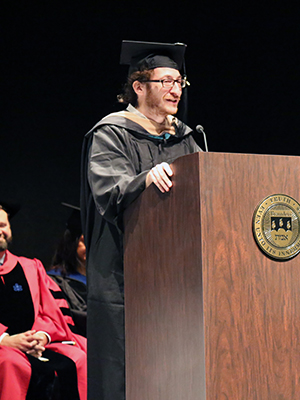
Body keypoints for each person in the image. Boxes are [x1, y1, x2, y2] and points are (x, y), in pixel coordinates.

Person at [81, 40, 203, 400]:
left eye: (180, 81)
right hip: (123, 273)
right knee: (123, 368)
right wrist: (145, 179)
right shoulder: (111, 133)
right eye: (166, 81)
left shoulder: (187, 137)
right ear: (139, 86)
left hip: (178, 275)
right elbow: (109, 187)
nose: (175, 89)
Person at [0, 201, 87, 400]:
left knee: (78, 358)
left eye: (3, 225)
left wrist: (41, 336)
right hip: (4, 347)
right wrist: (6, 340)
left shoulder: (30, 268)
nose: (0, 231)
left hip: (35, 343)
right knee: (12, 363)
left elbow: (51, 311)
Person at [47, 203, 87, 336]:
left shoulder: (108, 282)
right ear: (72, 243)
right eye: (85, 241)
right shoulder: (55, 280)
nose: (91, 247)